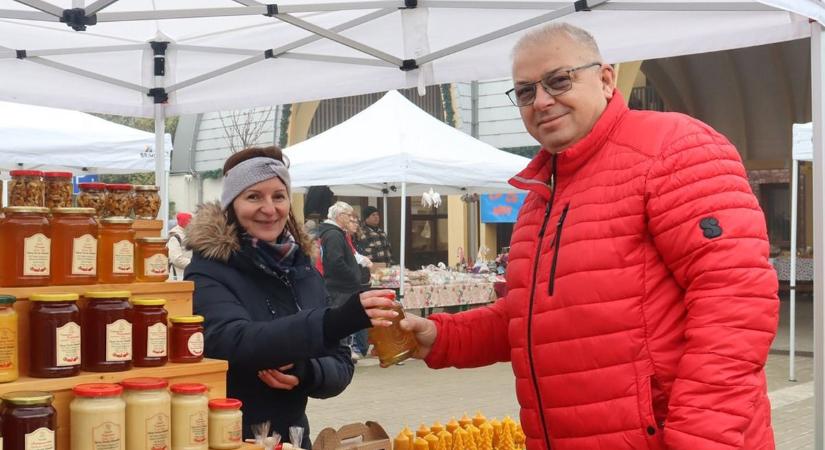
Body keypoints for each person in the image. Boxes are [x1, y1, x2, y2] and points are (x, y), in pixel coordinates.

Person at [400, 23, 779, 450]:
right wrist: (442, 336)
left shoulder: (674, 147)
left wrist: (700, 441)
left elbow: (735, 303)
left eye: (558, 80)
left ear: (605, 79)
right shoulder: (542, 195)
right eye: (525, 91)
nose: (541, 101)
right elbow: (530, 318)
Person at [184, 146, 396, 446]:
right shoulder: (208, 270)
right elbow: (234, 341)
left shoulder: (302, 269)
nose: (269, 209)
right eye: (254, 196)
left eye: (278, 196)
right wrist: (331, 323)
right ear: (232, 205)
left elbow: (341, 364)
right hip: (228, 439)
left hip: (293, 439)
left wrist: (307, 372)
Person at [317, 202, 371, 359]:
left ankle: (344, 351)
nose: (351, 219)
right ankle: (340, 353)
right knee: (341, 320)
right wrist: (353, 276)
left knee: (343, 319)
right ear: (339, 216)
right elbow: (335, 262)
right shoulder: (333, 235)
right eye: (349, 216)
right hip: (340, 287)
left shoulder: (334, 233)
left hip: (340, 286)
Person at [167, 211, 192, 279]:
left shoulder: (188, 234)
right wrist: (194, 263)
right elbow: (176, 259)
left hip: (186, 273)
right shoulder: (174, 237)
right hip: (177, 276)